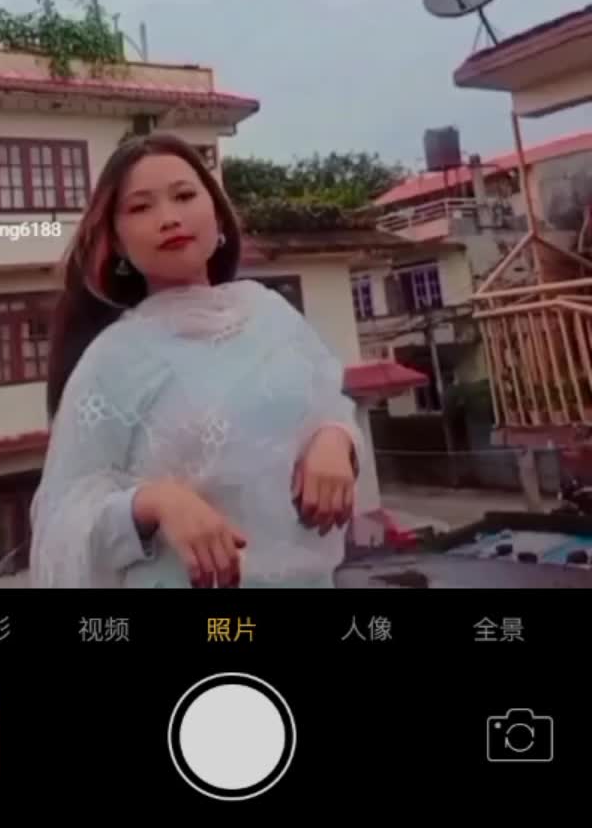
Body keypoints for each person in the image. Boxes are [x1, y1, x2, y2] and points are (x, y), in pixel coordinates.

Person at [31, 133, 366, 588]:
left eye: (185, 196)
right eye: (140, 207)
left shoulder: (271, 314)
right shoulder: (113, 360)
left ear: (218, 214)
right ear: (118, 243)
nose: (169, 218)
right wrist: (154, 503)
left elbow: (331, 403)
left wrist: (335, 438)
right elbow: (59, 524)